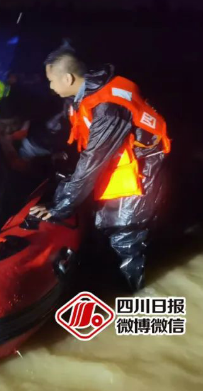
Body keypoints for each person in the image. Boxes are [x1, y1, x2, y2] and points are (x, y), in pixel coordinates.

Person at [30, 42, 171, 292]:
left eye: (51, 81)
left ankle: (135, 295)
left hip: (139, 174)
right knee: (103, 228)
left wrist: (59, 207)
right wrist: (26, 149)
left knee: (125, 236)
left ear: (68, 78)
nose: (49, 87)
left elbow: (92, 162)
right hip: (118, 165)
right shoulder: (82, 94)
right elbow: (60, 130)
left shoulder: (108, 109)